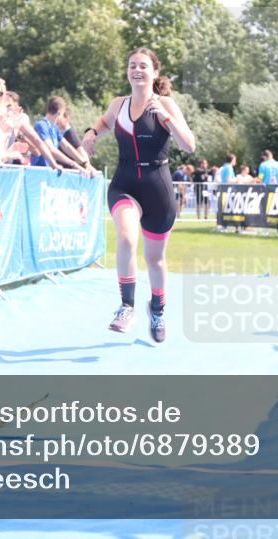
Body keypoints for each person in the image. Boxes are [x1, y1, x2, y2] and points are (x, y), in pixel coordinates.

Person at [82, 47, 195, 343]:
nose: (137, 70)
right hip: (125, 183)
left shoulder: (166, 103)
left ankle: (157, 309)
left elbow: (189, 146)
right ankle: (126, 306)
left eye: (143, 66)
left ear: (154, 72)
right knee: (126, 237)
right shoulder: (119, 103)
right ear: (127, 71)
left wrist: (167, 119)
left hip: (158, 187)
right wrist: (91, 133)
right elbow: (105, 122)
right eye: (132, 65)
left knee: (155, 259)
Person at [32, 96, 79, 169]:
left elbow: (67, 146)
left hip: (50, 172)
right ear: (59, 113)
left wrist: (85, 163)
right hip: (40, 171)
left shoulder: (54, 128)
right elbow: (52, 150)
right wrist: (74, 164)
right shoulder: (41, 125)